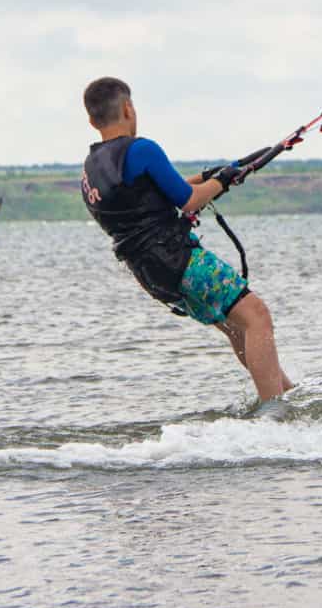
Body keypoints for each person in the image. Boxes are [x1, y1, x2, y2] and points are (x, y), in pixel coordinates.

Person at [80, 76, 293, 405]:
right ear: (127, 108)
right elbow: (189, 200)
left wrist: (214, 175)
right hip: (179, 259)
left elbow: (163, 189)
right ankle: (277, 414)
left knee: (238, 327)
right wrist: (221, 182)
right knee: (257, 316)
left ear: (92, 119)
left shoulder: (92, 167)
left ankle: (287, 397)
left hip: (152, 274)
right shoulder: (141, 149)